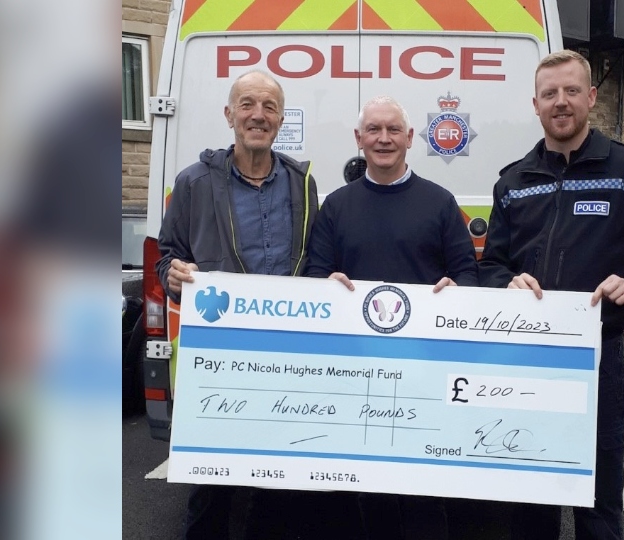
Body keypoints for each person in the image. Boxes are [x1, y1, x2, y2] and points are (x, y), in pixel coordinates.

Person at [478, 50, 624, 539]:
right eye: (550, 94)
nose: (561, 102)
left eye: (571, 91)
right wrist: (505, 282)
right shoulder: (513, 182)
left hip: (599, 361)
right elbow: (491, 265)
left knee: (597, 504)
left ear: (591, 98)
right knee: (530, 500)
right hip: (526, 363)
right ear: (534, 104)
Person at [155, 70, 321, 540]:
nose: (258, 115)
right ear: (229, 115)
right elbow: (166, 257)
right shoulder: (193, 183)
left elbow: (313, 261)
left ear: (281, 119)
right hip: (220, 359)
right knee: (212, 484)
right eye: (247, 104)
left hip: (284, 357)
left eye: (269, 107)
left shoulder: (300, 183)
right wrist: (172, 275)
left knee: (278, 480)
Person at [304, 95, 479, 540]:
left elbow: (467, 274)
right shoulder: (336, 206)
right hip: (356, 373)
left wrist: (456, 291)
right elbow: (313, 275)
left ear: (409, 138)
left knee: (424, 493)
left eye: (393, 130)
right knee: (367, 493)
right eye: (374, 130)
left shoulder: (440, 203)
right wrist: (327, 284)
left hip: (424, 372)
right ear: (359, 139)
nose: (384, 139)